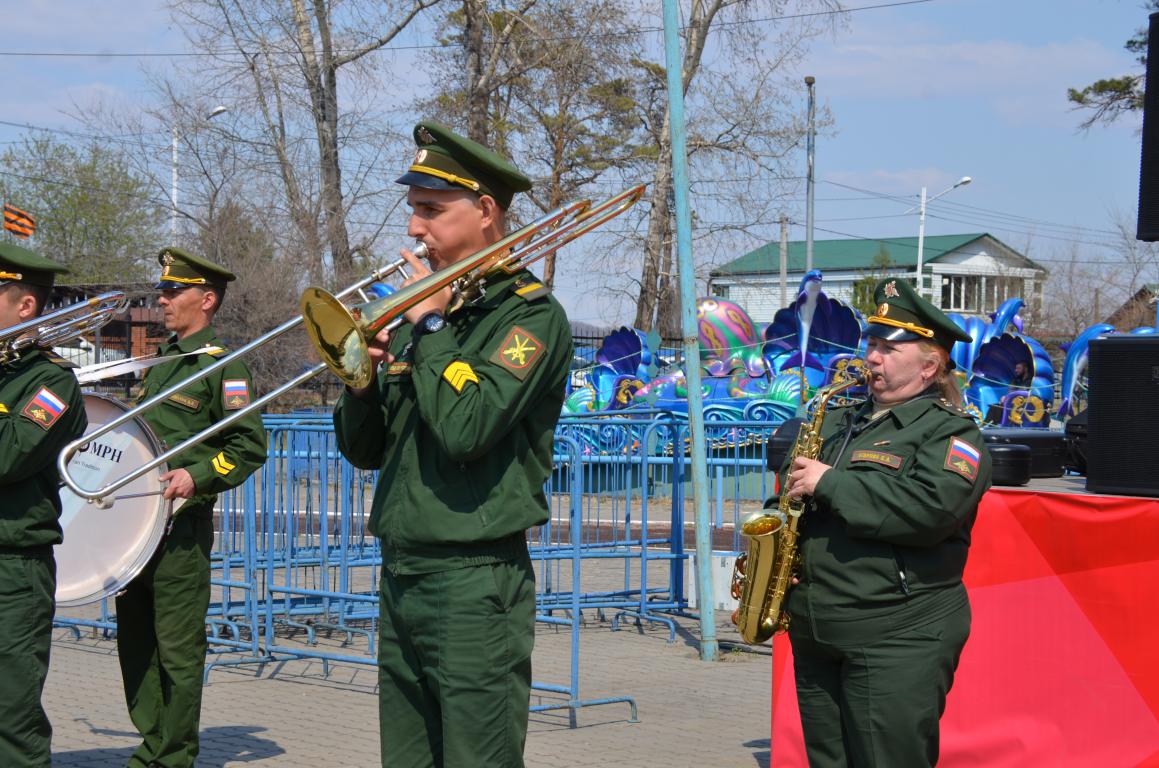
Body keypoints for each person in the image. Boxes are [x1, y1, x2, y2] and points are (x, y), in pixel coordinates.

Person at [333, 121, 572, 768]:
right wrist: (360, 384)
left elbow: (468, 428)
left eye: (431, 210)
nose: (415, 228)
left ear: (485, 211)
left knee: (477, 757)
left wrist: (432, 325)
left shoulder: (528, 316)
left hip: (474, 580)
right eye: (414, 209)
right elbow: (366, 451)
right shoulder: (427, 316)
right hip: (402, 570)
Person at [779, 277, 993, 767]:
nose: (872, 358)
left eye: (887, 349)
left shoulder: (951, 435)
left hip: (897, 634)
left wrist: (830, 483)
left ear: (929, 365)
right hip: (818, 628)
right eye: (872, 344)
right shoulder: (836, 419)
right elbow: (792, 493)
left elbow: (930, 511)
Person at [115, 248, 266, 768]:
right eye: (162, 291)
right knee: (137, 644)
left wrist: (196, 476)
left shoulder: (223, 366)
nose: (162, 300)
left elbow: (248, 447)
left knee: (177, 650)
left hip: (180, 531)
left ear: (206, 300)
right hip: (134, 527)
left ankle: (174, 756)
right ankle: (151, 745)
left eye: (172, 291)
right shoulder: (165, 362)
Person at [0, 243, 88, 767]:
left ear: (25, 306)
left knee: (10, 716)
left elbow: (8, 456)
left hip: (12, 568)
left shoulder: (51, 381)